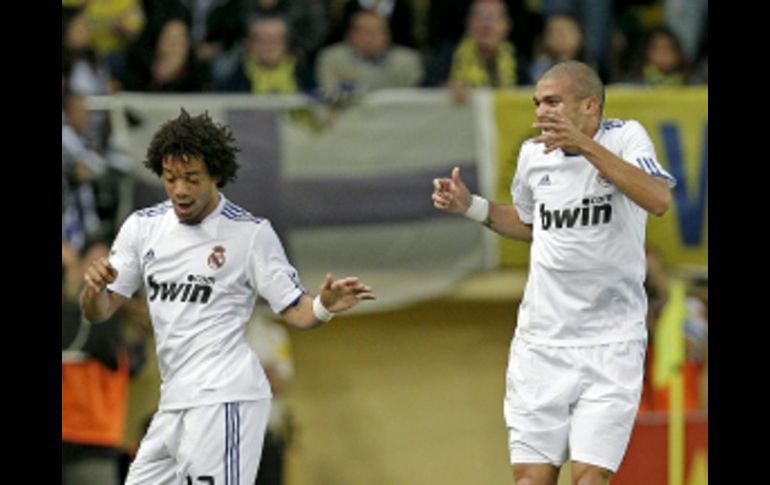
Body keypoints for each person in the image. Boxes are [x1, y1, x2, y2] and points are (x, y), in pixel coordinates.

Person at [79, 109, 376, 484]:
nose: (180, 189)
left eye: (192, 178)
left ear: (216, 174)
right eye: (170, 178)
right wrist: (93, 291)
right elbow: (100, 311)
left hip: (227, 398)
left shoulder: (250, 235)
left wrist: (324, 306)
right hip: (174, 402)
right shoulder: (142, 228)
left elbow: (297, 311)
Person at [431, 60, 675, 484]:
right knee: (530, 479)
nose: (542, 112)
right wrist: (471, 206)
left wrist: (584, 146)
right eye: (537, 103)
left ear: (589, 106)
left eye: (553, 102)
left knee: (589, 478)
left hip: (612, 341)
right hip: (541, 342)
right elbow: (531, 223)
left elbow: (657, 198)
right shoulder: (532, 156)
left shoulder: (625, 138)